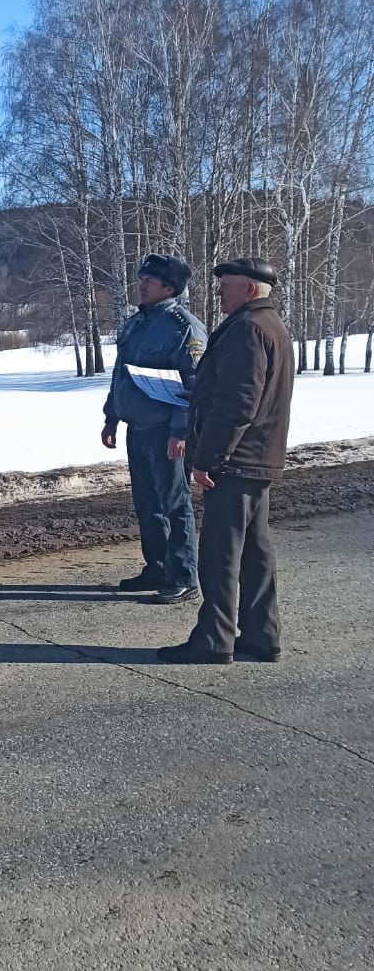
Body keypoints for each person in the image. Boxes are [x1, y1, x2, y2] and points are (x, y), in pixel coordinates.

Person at [157, 256, 294, 666]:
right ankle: (260, 635)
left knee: (220, 554)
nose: (219, 293)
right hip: (257, 458)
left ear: (249, 289)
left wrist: (208, 459)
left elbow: (236, 404)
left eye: (226, 286)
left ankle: (214, 640)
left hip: (237, 461)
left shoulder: (248, 329)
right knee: (254, 552)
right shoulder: (269, 325)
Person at [102, 253, 207, 603]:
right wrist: (111, 416)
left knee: (175, 504)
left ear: (169, 287)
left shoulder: (183, 326)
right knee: (147, 503)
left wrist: (180, 433)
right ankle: (157, 567)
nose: (141, 285)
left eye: (148, 280)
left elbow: (193, 386)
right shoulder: (136, 323)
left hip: (166, 431)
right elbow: (122, 375)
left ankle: (183, 575)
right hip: (138, 427)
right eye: (141, 279)